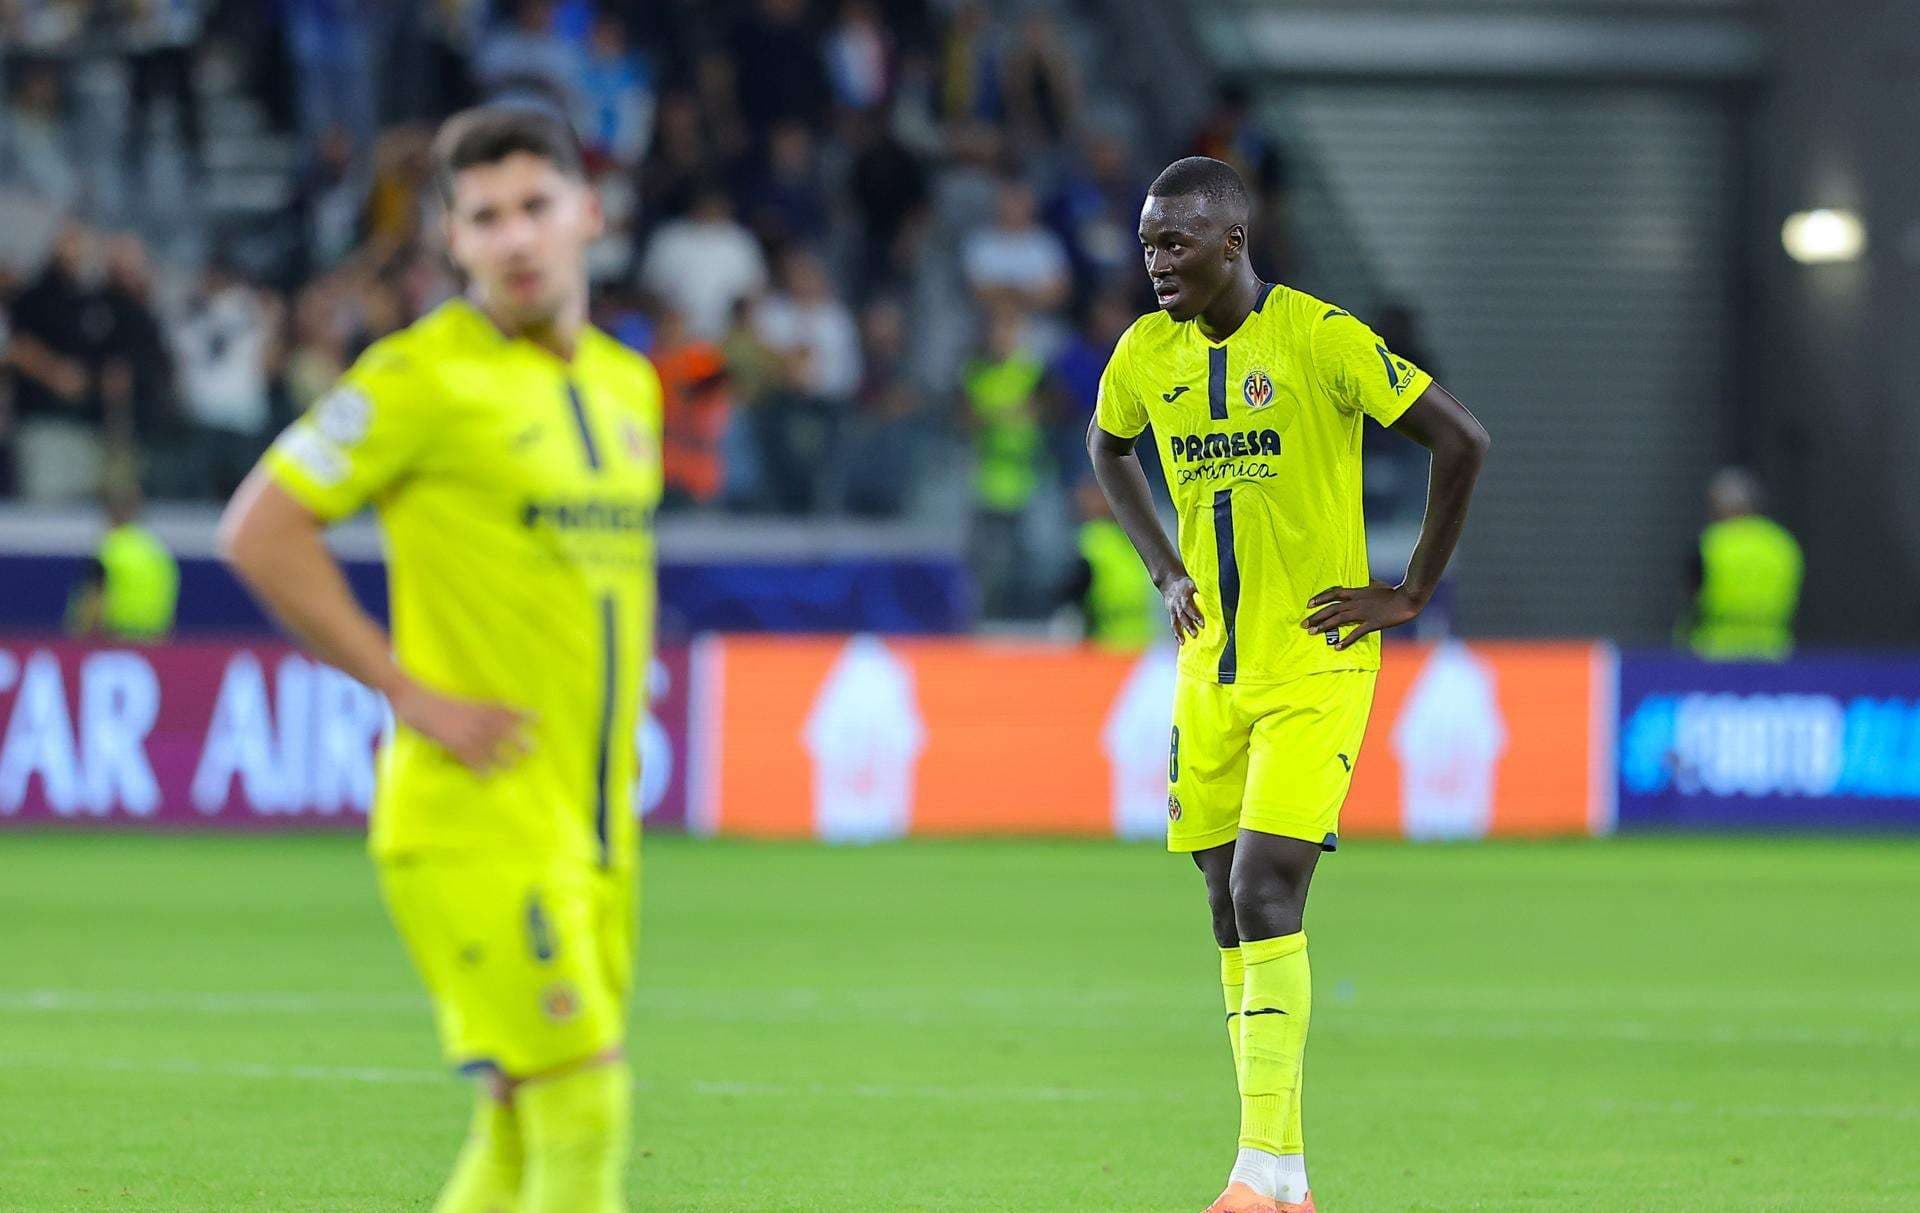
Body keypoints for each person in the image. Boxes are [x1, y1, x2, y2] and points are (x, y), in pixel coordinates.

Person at [218, 105, 662, 1213]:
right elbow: (260, 528)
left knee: (515, 1125)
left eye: (535, 207)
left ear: (589, 215)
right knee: (584, 1105)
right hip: (473, 813)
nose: (515, 238)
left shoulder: (628, 386)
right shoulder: (418, 378)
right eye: (484, 217)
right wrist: (405, 689)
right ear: (451, 242)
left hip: (593, 818)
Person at [1086, 156, 1489, 1213]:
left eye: (1176, 243)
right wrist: (1165, 567)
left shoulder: (1321, 339)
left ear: (1232, 242)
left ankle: (1256, 1176)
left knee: (1268, 888)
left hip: (1316, 660)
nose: (1157, 262)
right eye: (1146, 244)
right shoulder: (1145, 353)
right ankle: (1283, 1176)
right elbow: (1106, 446)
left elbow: (1461, 440)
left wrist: (1409, 591)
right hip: (1210, 668)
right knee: (1224, 902)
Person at [1684, 467, 1802, 660]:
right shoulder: (1783, 543)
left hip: (1716, 650)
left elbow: (1694, 596)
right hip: (1773, 649)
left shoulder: (1711, 542)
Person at [66, 484, 179, 642]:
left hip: (118, 641)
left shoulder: (110, 550)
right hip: (156, 643)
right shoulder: (159, 553)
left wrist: (77, 639)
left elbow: (94, 603)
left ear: (110, 515)